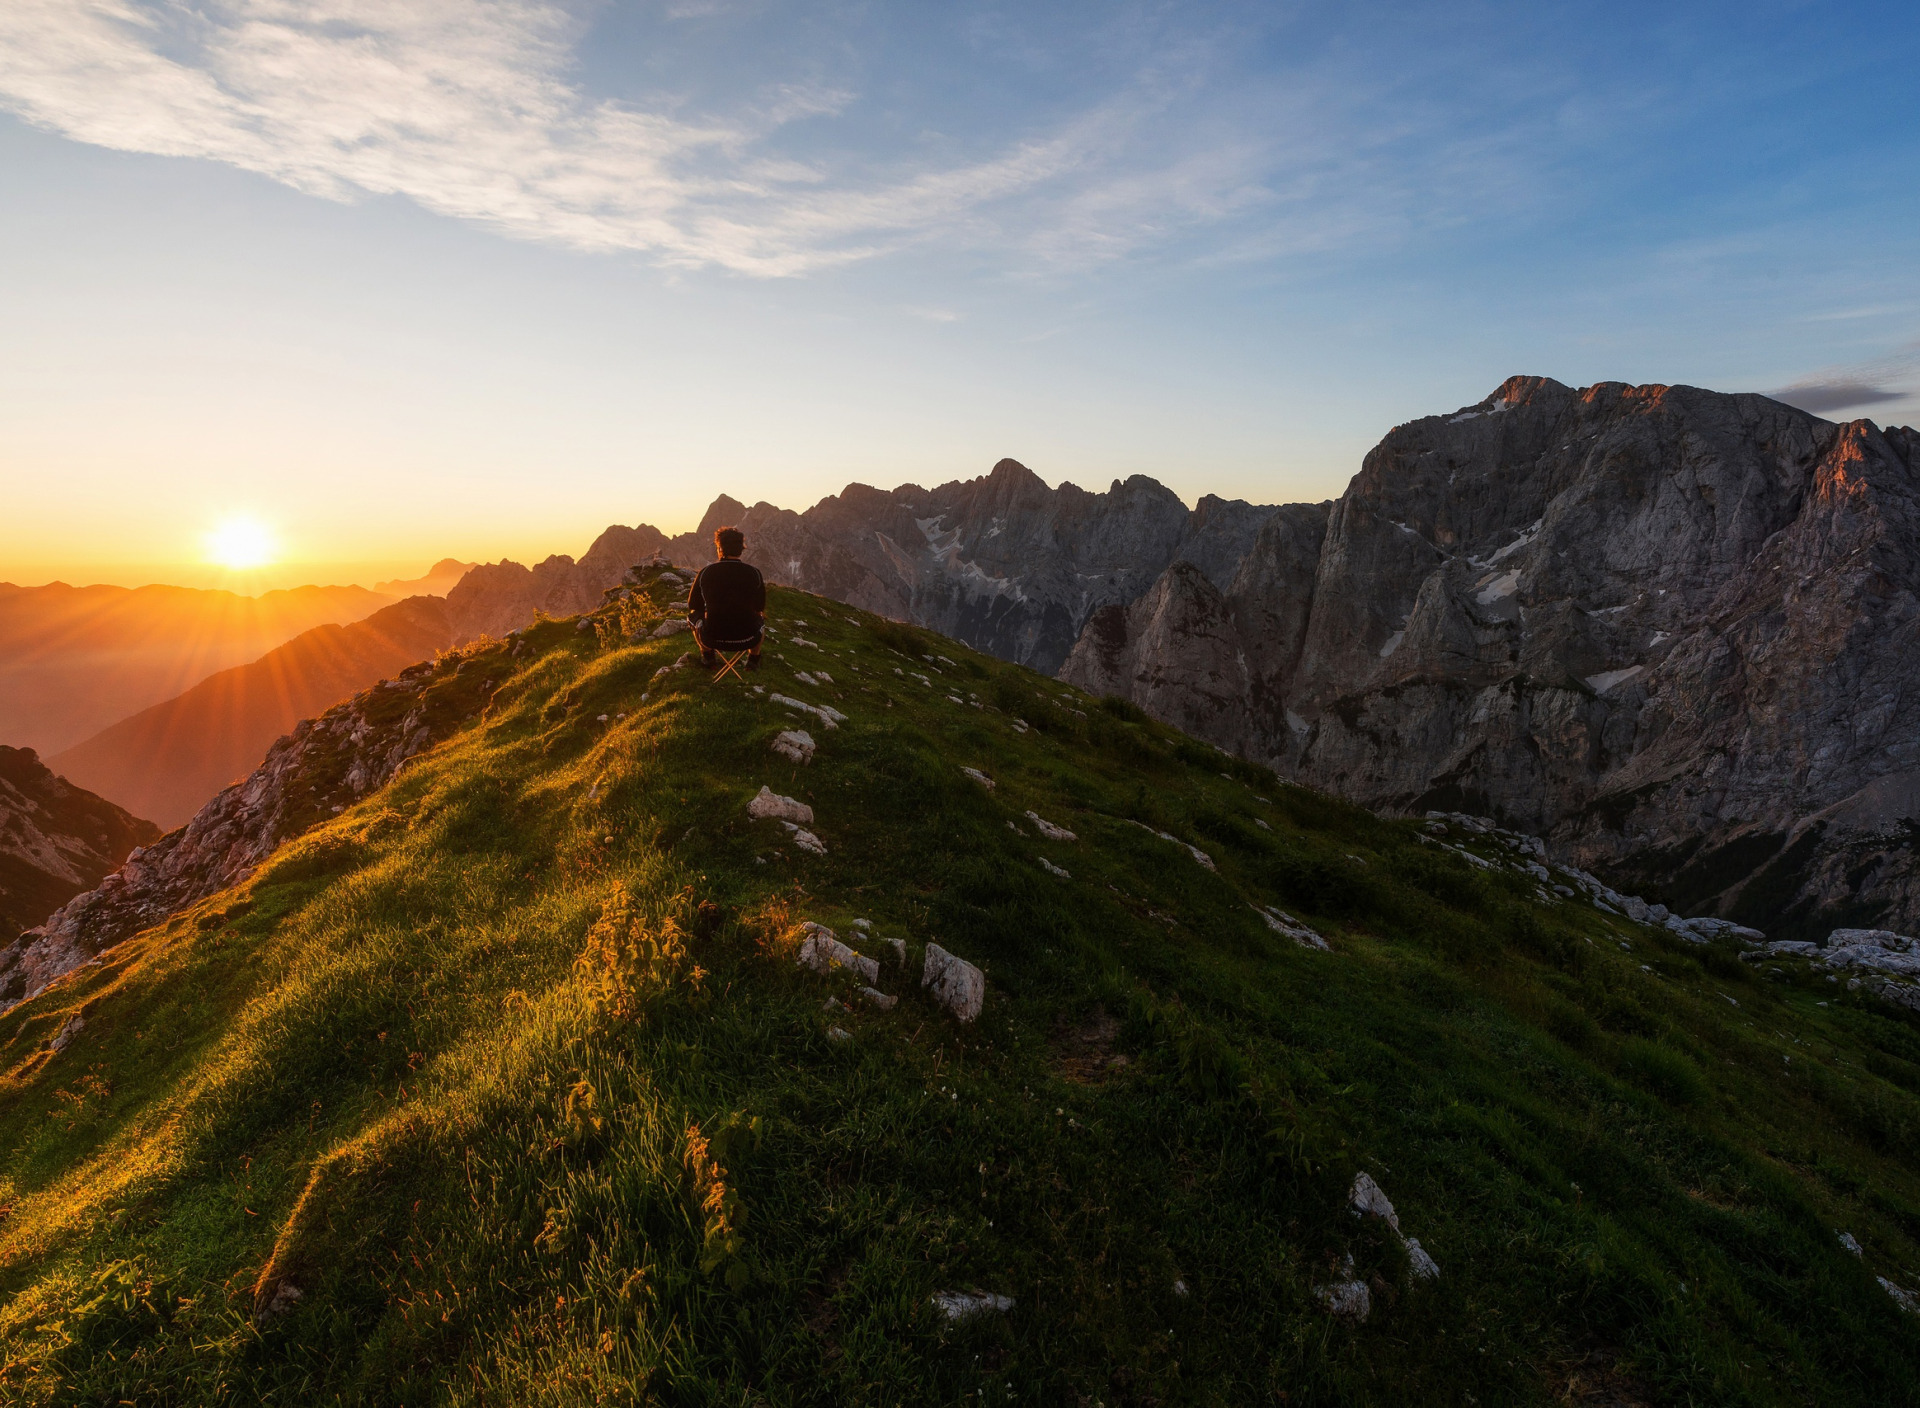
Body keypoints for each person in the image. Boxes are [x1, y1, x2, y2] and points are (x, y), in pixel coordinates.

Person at [687, 525, 766, 669]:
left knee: (693, 616)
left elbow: (693, 604)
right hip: (747, 638)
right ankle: (753, 659)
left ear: (719, 548)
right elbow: (759, 607)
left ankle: (708, 656)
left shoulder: (705, 572)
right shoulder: (754, 573)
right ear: (741, 549)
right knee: (760, 617)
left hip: (712, 638)